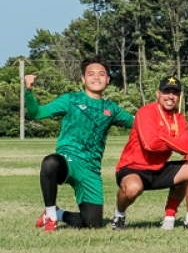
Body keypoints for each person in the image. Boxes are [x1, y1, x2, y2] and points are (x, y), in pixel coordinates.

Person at [28, 58, 134, 231]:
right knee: (50, 162)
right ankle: (51, 214)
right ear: (83, 79)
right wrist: (28, 91)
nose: (96, 78)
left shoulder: (111, 108)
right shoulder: (71, 100)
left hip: (91, 170)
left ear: (108, 80)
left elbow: (138, 123)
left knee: (92, 224)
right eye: (91, 74)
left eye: (101, 74)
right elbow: (37, 114)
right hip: (68, 161)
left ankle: (57, 213)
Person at [113, 77, 188, 230]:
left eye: (175, 93)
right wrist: (171, 139)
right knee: (132, 187)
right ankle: (119, 216)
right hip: (134, 168)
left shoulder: (179, 118)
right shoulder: (146, 111)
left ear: (179, 97)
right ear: (158, 93)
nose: (171, 96)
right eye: (167, 92)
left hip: (159, 169)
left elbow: (186, 147)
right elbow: (149, 144)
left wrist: (161, 136)